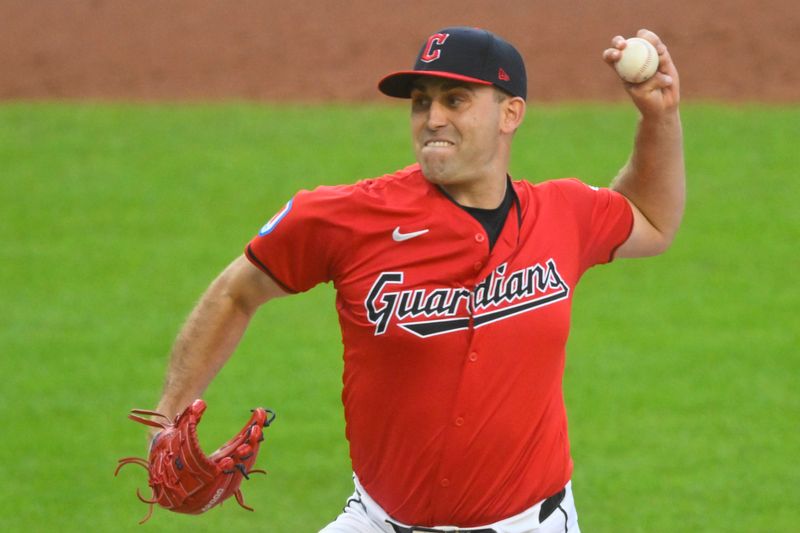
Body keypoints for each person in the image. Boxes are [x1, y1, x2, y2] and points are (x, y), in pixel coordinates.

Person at [151, 26, 684, 533]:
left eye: (455, 100)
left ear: (510, 113)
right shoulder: (346, 217)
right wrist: (167, 421)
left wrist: (658, 117)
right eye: (421, 101)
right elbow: (236, 291)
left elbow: (652, 220)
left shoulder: (563, 214)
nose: (432, 117)